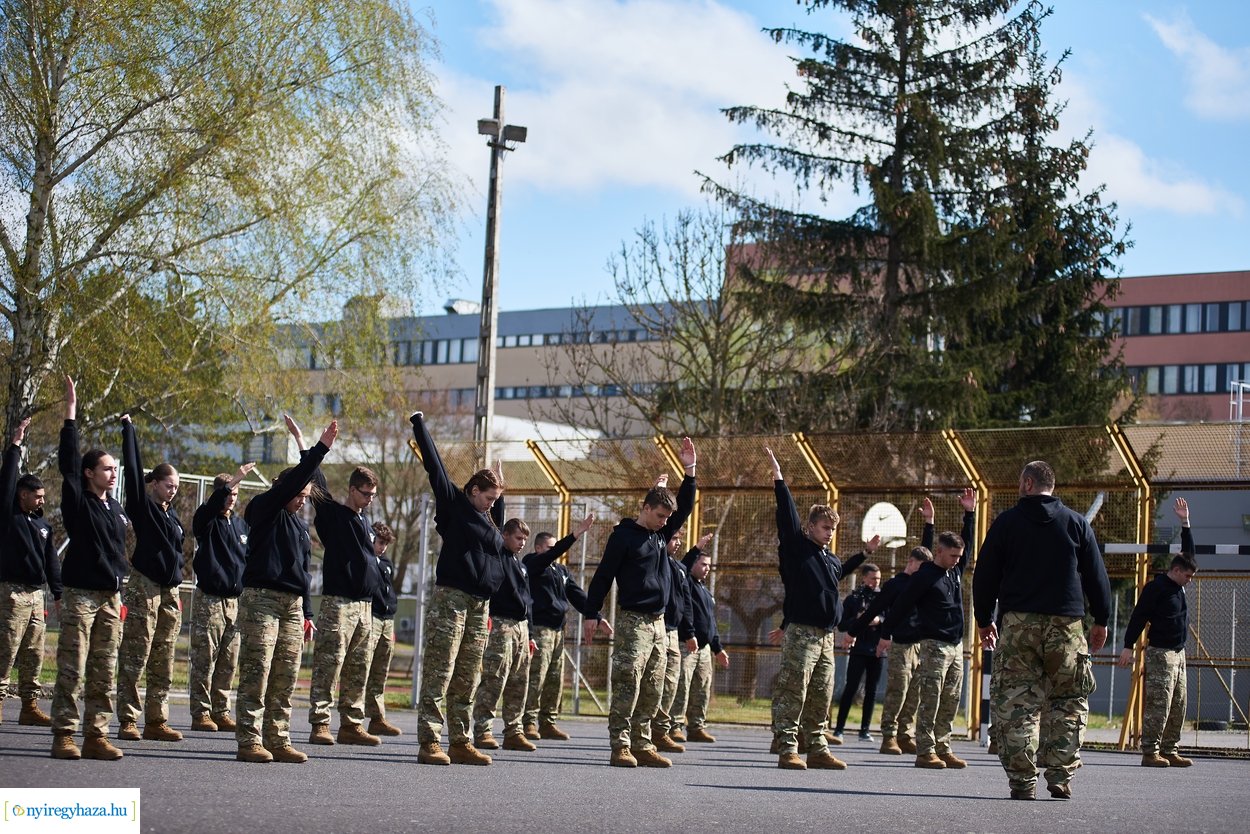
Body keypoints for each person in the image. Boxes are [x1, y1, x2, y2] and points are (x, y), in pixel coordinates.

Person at [973, 460, 1112, 801]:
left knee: (1017, 701)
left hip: (1018, 624)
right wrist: (1102, 620)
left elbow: (985, 573)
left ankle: (1022, 781)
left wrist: (983, 619)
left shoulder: (1006, 522)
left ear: (1029, 483)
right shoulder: (1076, 523)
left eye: (1022, 482)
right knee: (1069, 699)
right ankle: (1060, 775)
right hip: (1066, 625)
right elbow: (1097, 576)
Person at [582, 438, 697, 768]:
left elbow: (685, 507)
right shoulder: (624, 537)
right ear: (645, 508)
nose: (664, 522)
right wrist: (592, 612)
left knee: (653, 686)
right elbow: (603, 576)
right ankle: (620, 745)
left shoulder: (659, 535)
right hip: (633, 621)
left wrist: (689, 471)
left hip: (660, 624)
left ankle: (642, 743)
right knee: (627, 683)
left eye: (667, 518)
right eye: (659, 515)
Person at [766, 446, 878, 771]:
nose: (830, 534)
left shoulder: (828, 558)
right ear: (810, 527)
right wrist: (779, 480)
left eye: (833, 529)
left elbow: (839, 572)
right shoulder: (797, 550)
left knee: (821, 693)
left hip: (826, 637)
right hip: (801, 632)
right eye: (825, 528)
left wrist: (864, 554)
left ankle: (817, 747)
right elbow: (786, 517)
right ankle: (788, 747)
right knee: (793, 690)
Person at [234, 418, 338, 764]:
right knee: (256, 670)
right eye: (299, 497)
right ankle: (249, 740)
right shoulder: (265, 508)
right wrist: (316, 447)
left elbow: (302, 573)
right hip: (261, 600)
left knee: (286, 674)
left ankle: (277, 738)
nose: (301, 503)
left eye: (306, 499)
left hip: (292, 606)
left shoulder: (298, 526)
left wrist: (307, 614)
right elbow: (295, 480)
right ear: (285, 490)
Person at [410, 411, 507, 766]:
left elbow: (496, 542)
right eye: (488, 498)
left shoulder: (488, 519)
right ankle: (429, 742)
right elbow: (434, 466)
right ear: (472, 490)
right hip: (451, 599)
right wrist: (421, 425)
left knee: (468, 676)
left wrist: (500, 495)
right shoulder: (455, 506)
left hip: (480, 605)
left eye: (496, 501)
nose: (491, 504)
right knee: (441, 670)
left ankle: (460, 741)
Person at [50, 376, 130, 761]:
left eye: (115, 469)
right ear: (89, 473)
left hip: (110, 598)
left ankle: (96, 735)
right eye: (107, 469)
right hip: (81, 595)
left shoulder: (114, 508)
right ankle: (64, 734)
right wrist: (70, 415)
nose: (113, 474)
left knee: (104, 671)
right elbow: (67, 463)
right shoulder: (79, 502)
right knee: (72, 669)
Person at [297, 416, 385, 748]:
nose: (370, 499)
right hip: (339, 604)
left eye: (373, 494)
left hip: (365, 608)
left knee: (358, 669)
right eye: (365, 493)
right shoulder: (333, 515)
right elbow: (314, 477)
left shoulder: (364, 522)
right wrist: (310, 444)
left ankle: (351, 723)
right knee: (329, 665)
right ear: (351, 490)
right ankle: (320, 723)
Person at [879, 491, 973, 771]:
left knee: (951, 699)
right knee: (930, 698)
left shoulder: (954, 571)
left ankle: (943, 746)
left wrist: (970, 514)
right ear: (939, 552)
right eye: (952, 555)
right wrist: (886, 634)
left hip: (956, 646)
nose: (957, 559)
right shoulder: (924, 577)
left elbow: (967, 545)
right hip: (933, 645)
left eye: (959, 555)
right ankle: (925, 750)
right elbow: (901, 606)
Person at [114, 415, 186, 743]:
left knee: (164, 656)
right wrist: (129, 430)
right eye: (169, 485)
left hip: (170, 591)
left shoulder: (171, 514)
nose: (173, 491)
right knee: (137, 652)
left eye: (176, 487)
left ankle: (156, 720)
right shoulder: (142, 507)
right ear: (155, 483)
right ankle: (128, 719)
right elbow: (132, 467)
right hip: (146, 588)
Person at [1118, 496, 1197, 769]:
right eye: (1187, 576)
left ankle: (1170, 748)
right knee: (1159, 704)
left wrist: (1185, 523)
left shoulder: (1179, 584)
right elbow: (1139, 617)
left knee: (1179, 703)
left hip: (1179, 653)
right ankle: (1150, 751)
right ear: (1175, 571)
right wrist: (1128, 646)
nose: (1189, 580)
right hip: (1161, 653)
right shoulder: (1157, 588)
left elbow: (1189, 555)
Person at [0, 417, 59, 727]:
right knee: (6, 649)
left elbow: (51, 562)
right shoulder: (9, 516)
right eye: (36, 496)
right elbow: (7, 480)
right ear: (22, 495)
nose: (41, 500)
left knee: (34, 652)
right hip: (11, 592)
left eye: (43, 497)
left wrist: (57, 593)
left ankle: (29, 706)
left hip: (37, 596)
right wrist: (15, 445)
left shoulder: (42, 525)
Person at [521, 516, 603, 741]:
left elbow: (577, 595)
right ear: (539, 548)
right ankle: (528, 722)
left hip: (558, 631)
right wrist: (575, 535)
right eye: (550, 548)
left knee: (554, 678)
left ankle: (548, 722)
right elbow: (548, 557)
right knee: (536, 676)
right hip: (540, 629)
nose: (554, 552)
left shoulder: (561, 571)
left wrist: (595, 615)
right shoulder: (532, 564)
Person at [188, 463, 256, 733]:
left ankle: (220, 710)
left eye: (236, 494)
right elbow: (208, 510)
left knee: (228, 660)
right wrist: (233, 479)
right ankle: (201, 712)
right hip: (210, 600)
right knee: (205, 658)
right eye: (227, 493)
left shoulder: (240, 525)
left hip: (234, 603)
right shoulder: (206, 520)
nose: (231, 499)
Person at [853, 543, 931, 755]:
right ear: (911, 562)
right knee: (898, 691)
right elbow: (874, 610)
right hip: (900, 645)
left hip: (919, 645)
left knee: (915, 693)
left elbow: (928, 546)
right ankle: (889, 735)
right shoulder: (896, 585)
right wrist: (853, 631)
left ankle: (905, 735)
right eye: (921, 566)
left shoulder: (922, 583)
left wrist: (930, 523)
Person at [472, 517, 538, 751]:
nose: (522, 543)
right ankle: (483, 730)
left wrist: (530, 634)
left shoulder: (520, 565)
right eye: (518, 538)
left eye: (524, 540)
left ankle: (513, 731)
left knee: (519, 681)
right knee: (494, 678)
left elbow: (527, 601)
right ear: (505, 536)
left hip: (520, 627)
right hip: (501, 624)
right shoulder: (497, 556)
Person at [673, 538, 729, 743]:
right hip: (687, 645)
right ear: (694, 564)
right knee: (682, 687)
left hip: (704, 649)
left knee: (702, 688)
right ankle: (675, 726)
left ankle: (696, 727)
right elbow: (685, 612)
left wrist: (718, 648)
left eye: (709, 565)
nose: (707, 569)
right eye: (703, 564)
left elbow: (711, 622)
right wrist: (689, 634)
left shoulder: (704, 590)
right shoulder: (685, 581)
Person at [652, 522, 697, 753]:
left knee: (671, 683)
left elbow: (686, 603)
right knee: (652, 682)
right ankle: (642, 729)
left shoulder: (679, 568)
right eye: (674, 539)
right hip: (656, 626)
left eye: (680, 539)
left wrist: (689, 632)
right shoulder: (655, 560)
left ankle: (661, 730)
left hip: (674, 632)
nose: (677, 543)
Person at [831, 562, 883, 743]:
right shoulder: (853, 599)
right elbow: (842, 624)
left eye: (878, 579)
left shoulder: (883, 597)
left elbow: (891, 616)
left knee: (872, 690)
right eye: (872, 578)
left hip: (877, 650)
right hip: (858, 649)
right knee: (850, 687)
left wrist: (878, 620)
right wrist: (858, 620)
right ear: (864, 578)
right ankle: (838, 729)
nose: (876, 582)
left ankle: (865, 730)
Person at [363, 522, 401, 737]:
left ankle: (377, 717)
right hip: (372, 616)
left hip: (387, 619)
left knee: (381, 670)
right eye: (379, 542)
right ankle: (355, 717)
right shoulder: (367, 559)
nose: (382, 547)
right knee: (363, 668)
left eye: (386, 544)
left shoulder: (386, 562)